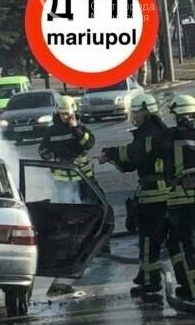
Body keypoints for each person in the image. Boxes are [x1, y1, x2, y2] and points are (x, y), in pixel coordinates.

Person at [99, 93, 173, 296]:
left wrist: (112, 153)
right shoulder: (155, 131)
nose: (134, 116)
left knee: (150, 239)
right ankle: (146, 276)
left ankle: (150, 281)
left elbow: (134, 154)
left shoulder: (151, 134)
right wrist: (113, 158)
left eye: (136, 112)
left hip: (156, 196)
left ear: (146, 112)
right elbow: (130, 164)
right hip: (159, 194)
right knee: (156, 239)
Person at [162, 94, 195, 301]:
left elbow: (142, 153)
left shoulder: (168, 137)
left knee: (186, 245)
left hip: (181, 199)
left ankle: (191, 289)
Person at [39, 94, 97, 200]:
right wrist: (47, 154)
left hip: (83, 177)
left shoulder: (80, 128)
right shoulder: (52, 131)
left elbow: (89, 144)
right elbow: (42, 149)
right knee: (66, 206)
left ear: (73, 112)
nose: (65, 117)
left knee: (91, 204)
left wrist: (76, 130)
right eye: (62, 114)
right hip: (62, 179)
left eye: (67, 114)